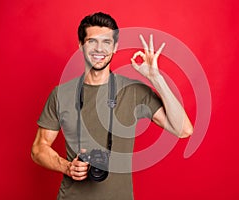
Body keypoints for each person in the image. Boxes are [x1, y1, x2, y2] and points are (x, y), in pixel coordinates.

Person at [31, 12, 193, 200]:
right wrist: (66, 167)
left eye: (106, 42)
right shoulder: (61, 94)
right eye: (92, 41)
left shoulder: (133, 91)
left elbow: (183, 130)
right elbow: (38, 149)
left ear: (115, 47)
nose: (99, 49)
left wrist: (156, 78)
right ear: (81, 46)